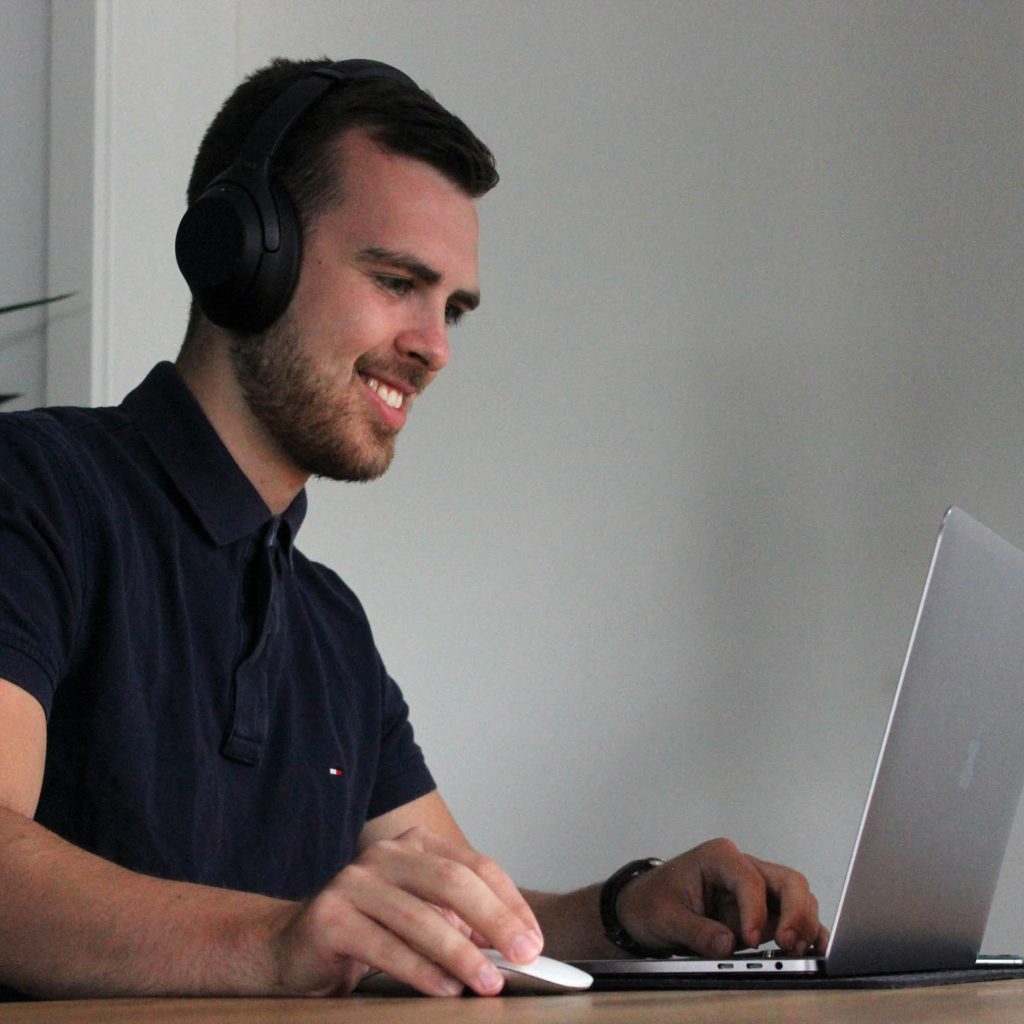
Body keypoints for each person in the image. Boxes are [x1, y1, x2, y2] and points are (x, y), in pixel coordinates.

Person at [0, 57, 824, 1000]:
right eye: (398, 282)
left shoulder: (328, 626)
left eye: (452, 311)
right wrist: (276, 945)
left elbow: (465, 919)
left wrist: (627, 908)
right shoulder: (33, 492)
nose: (434, 347)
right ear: (242, 254)